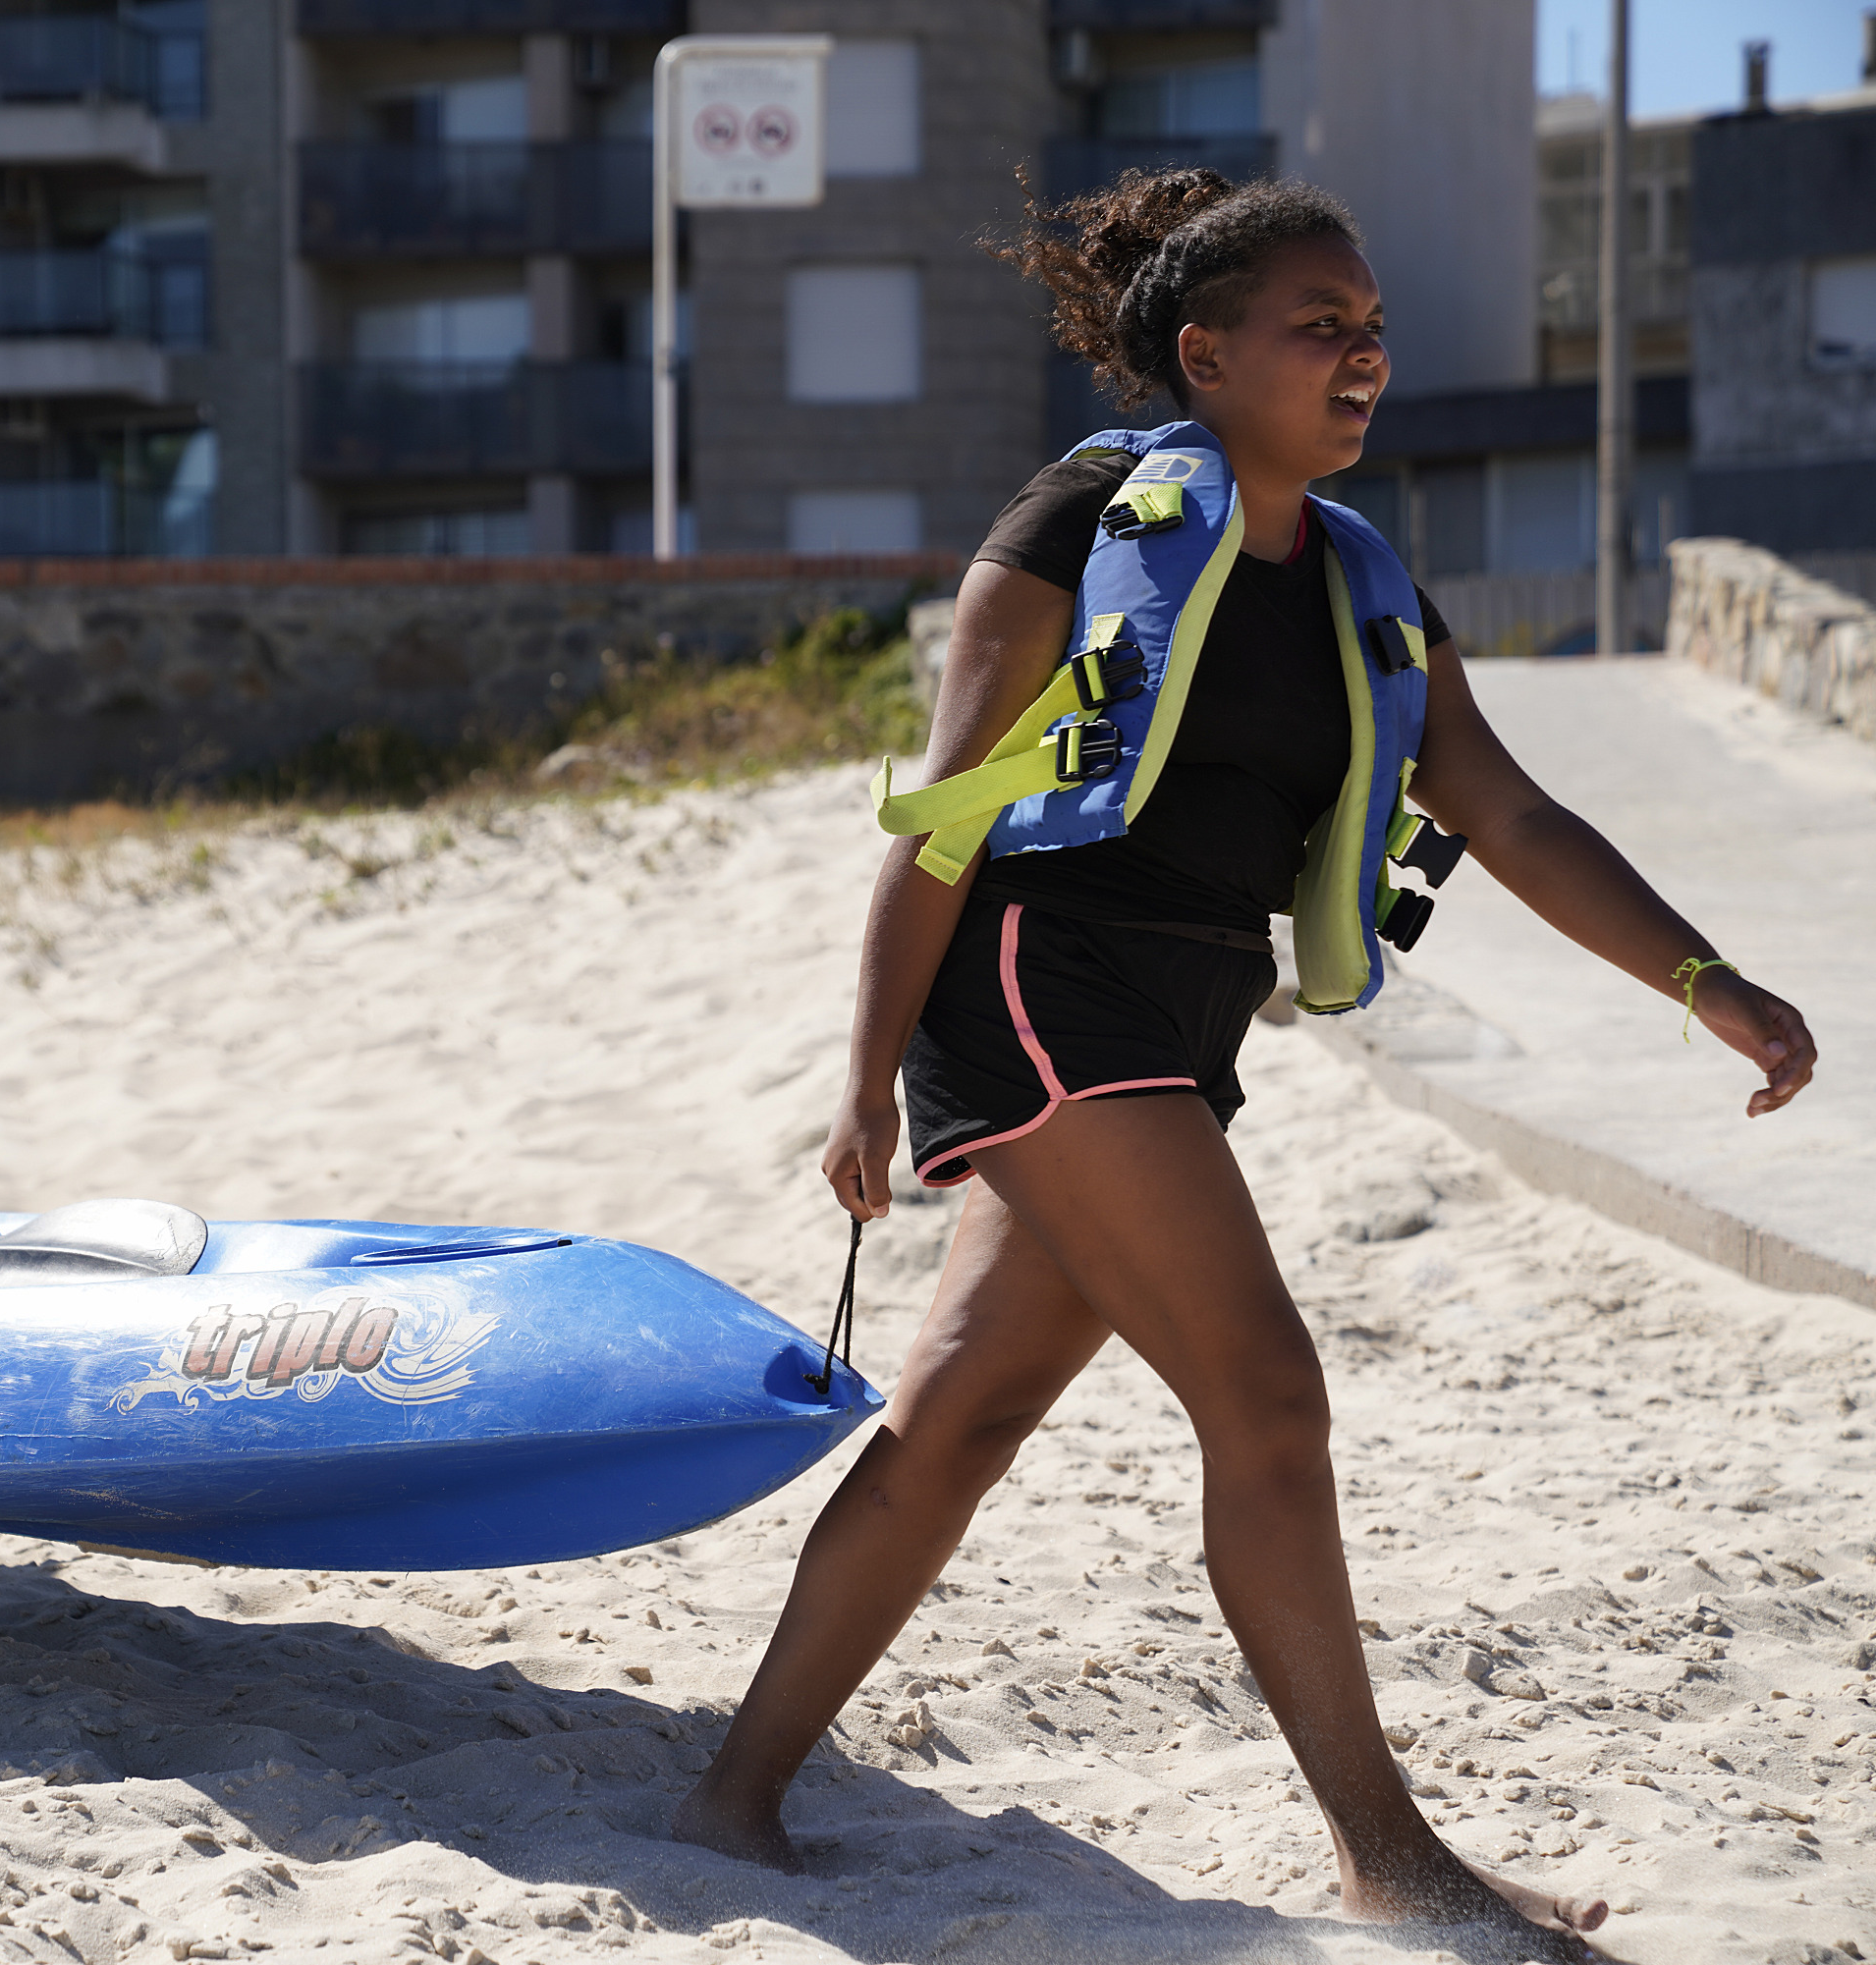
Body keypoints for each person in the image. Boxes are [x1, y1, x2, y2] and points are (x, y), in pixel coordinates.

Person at [670, 171, 1817, 1955]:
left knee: (962, 1414)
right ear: (1203, 358)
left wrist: (1704, 977)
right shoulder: (1082, 515)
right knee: (1269, 1397)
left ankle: (732, 1798)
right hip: (1052, 987)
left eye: (1371, 330)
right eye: (1321, 328)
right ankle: (1392, 1857)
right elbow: (948, 811)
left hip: (1185, 1022)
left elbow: (1502, 806)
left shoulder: (1361, 574)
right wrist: (866, 1078)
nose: (1363, 357)